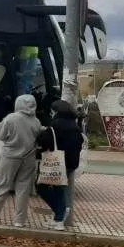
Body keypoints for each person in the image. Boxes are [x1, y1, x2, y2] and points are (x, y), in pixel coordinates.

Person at [0, 94, 43, 227]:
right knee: (23, 188)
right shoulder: (36, 121)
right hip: (29, 158)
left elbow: (1, 135)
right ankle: (19, 220)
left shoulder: (10, 118)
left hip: (10, 156)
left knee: (3, 184)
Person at [35, 99, 85, 231]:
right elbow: (79, 143)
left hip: (57, 162)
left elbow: (43, 141)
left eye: (52, 111)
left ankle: (59, 216)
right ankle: (59, 214)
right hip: (71, 163)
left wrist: (42, 133)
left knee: (41, 187)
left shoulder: (54, 126)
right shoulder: (75, 127)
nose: (51, 113)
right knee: (59, 188)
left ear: (56, 111)